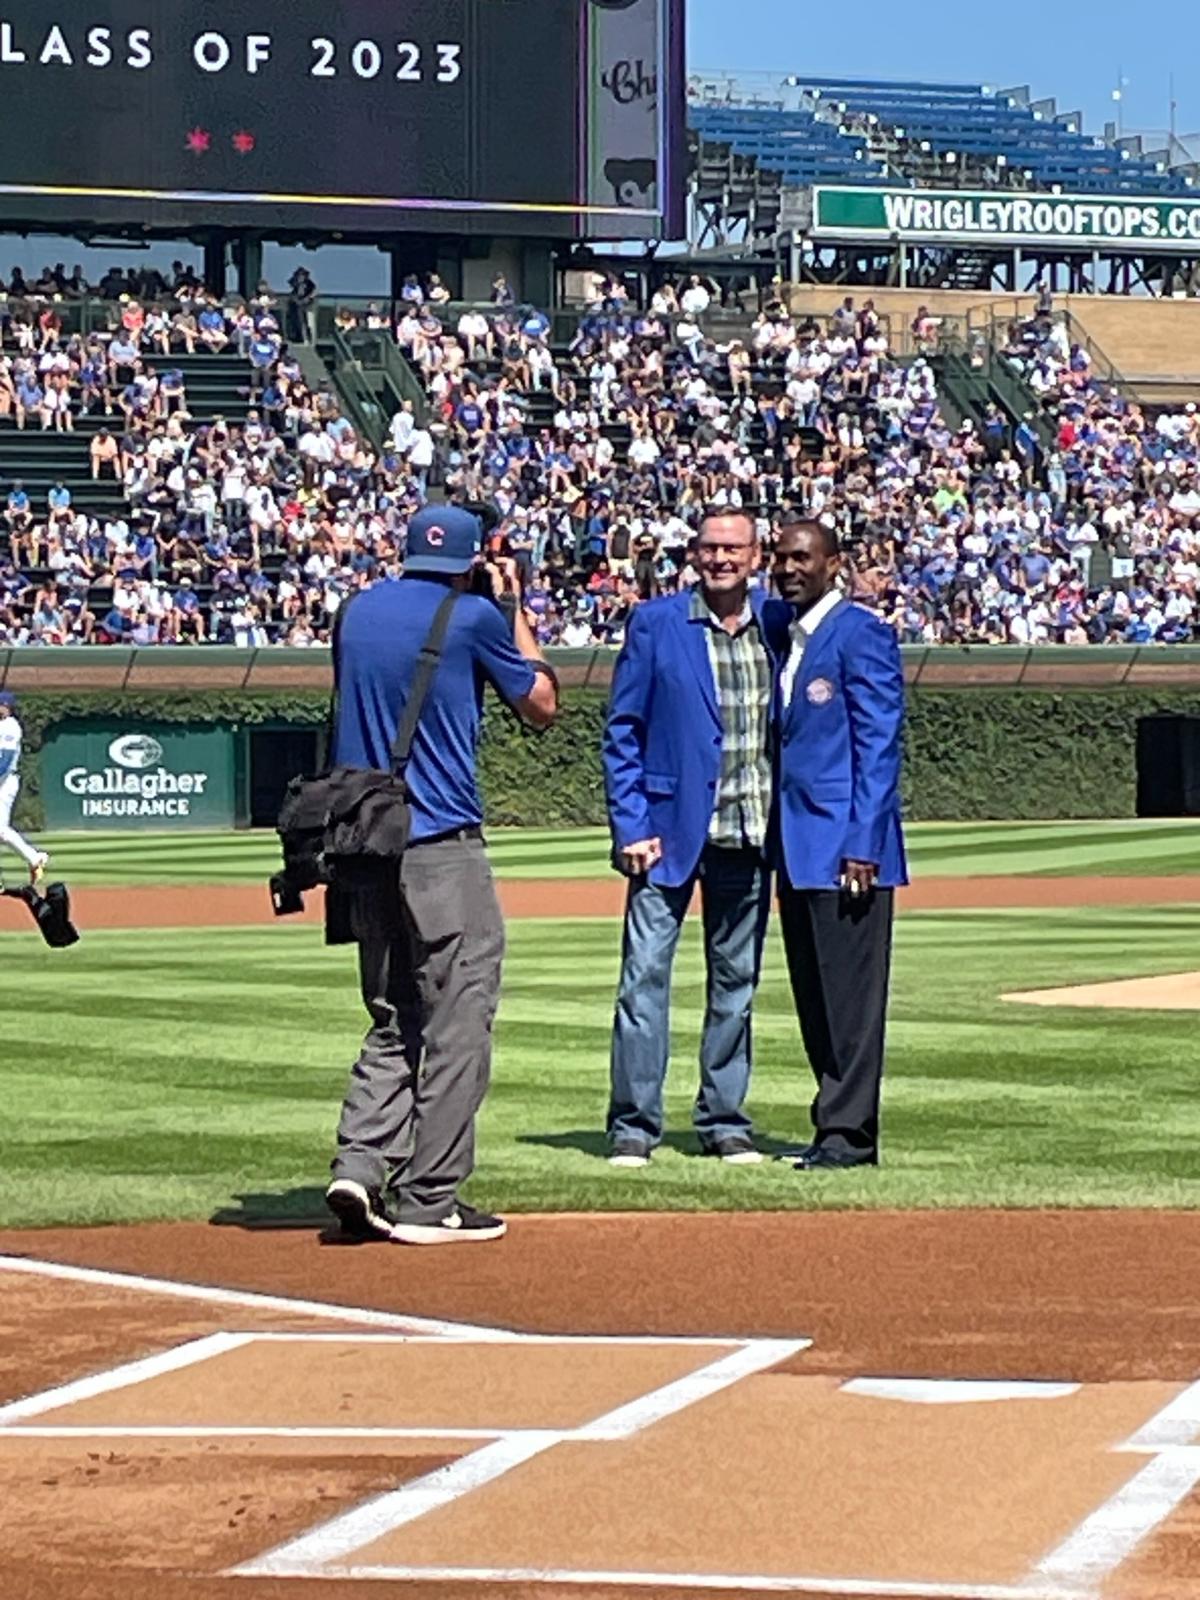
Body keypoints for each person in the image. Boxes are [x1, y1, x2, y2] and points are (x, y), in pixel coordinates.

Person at [324, 505, 559, 1245]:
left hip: (364, 843)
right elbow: (542, 704)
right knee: (459, 1021)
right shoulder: (475, 617)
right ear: (470, 558)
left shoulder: (355, 612)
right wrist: (512, 602)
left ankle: (359, 1166)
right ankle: (431, 1198)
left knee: (393, 1013)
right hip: (440, 841)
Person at [601, 508, 778, 1167]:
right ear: (694, 555)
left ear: (756, 556)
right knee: (642, 981)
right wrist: (632, 824)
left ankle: (725, 1120)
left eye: (733, 548)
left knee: (736, 984)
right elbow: (622, 731)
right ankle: (633, 1127)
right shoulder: (656, 623)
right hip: (667, 835)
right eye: (709, 547)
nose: (721, 558)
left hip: (750, 829)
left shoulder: (777, 626)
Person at [767, 519, 908, 1170]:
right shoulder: (787, 635)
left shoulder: (862, 634)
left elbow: (877, 747)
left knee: (850, 1002)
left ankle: (850, 1135)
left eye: (802, 557)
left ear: (834, 565)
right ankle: (831, 1126)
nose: (788, 567)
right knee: (816, 997)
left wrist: (864, 843)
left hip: (849, 849)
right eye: (780, 557)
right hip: (795, 843)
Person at [0, 692, 48, 884]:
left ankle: (35, 858)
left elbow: (5, 761)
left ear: (7, 707)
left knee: (1, 831)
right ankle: (35, 858)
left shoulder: (11, 727)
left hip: (5, 782)